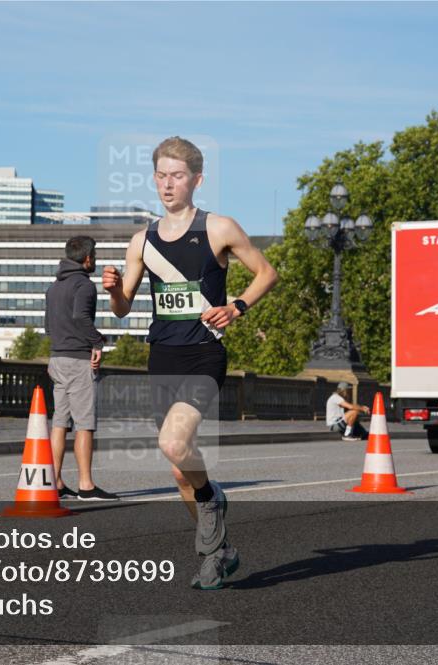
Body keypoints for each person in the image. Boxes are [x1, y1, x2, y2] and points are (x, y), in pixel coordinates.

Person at [102, 136, 278, 590]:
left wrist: (237, 306)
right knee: (180, 467)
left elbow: (267, 273)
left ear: (197, 179)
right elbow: (123, 307)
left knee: (174, 444)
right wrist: (113, 290)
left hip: (204, 352)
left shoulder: (218, 228)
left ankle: (211, 498)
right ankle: (217, 553)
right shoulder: (142, 240)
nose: (167, 184)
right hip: (162, 354)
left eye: (176, 175)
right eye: (160, 175)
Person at [44, 236, 118, 502]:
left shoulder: (54, 287)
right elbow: (81, 317)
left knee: (60, 423)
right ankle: (86, 485)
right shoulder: (84, 285)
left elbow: (48, 327)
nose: (95, 260)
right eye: (94, 256)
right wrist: (97, 342)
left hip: (56, 359)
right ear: (87, 258)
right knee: (85, 424)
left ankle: (56, 482)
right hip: (77, 360)